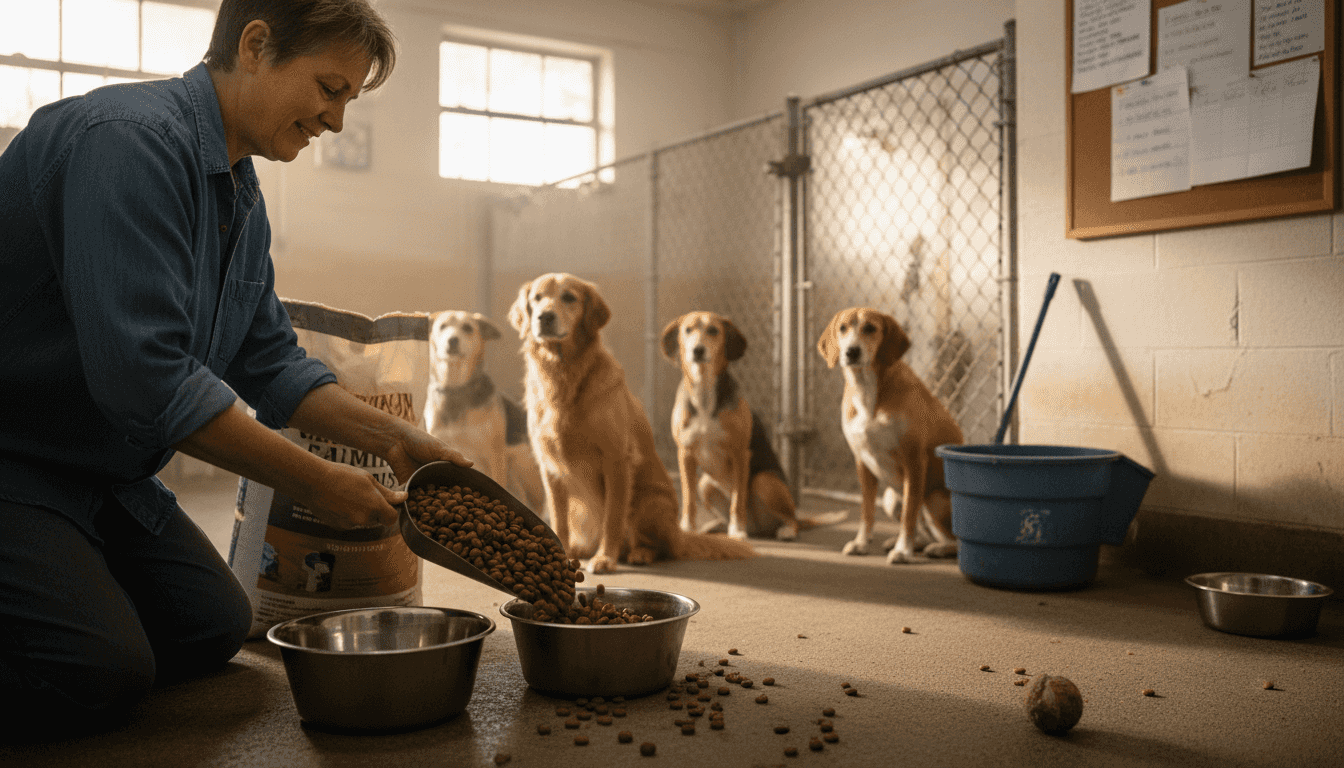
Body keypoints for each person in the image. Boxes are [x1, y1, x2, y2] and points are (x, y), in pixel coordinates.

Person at [0, 0, 469, 736]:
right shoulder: (129, 142)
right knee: (97, 671)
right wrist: (321, 482)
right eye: (330, 88)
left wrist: (394, 443)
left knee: (213, 626)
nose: (336, 120)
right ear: (256, 45)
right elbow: (146, 381)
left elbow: (271, 362)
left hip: (104, 476)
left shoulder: (238, 194)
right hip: (17, 460)